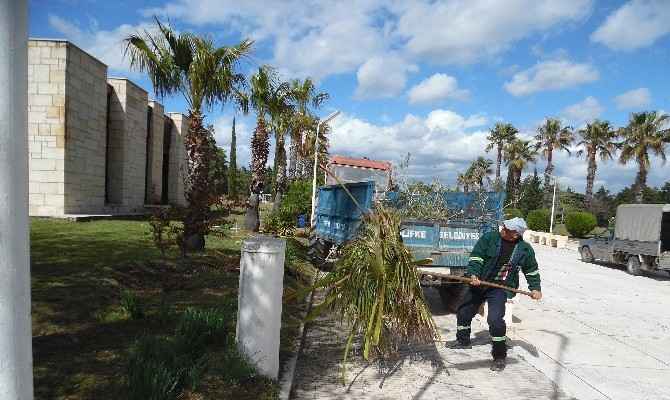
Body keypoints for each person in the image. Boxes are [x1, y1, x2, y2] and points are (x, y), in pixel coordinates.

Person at [451, 217, 542, 371]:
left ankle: (499, 356)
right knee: (464, 311)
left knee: (495, 320)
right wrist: (473, 274)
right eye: (504, 227)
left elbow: (531, 269)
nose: (503, 230)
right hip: (479, 282)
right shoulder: (489, 238)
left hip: (499, 287)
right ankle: (463, 340)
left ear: (516, 234)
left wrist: (535, 288)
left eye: (507, 230)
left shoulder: (524, 249)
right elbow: (476, 257)